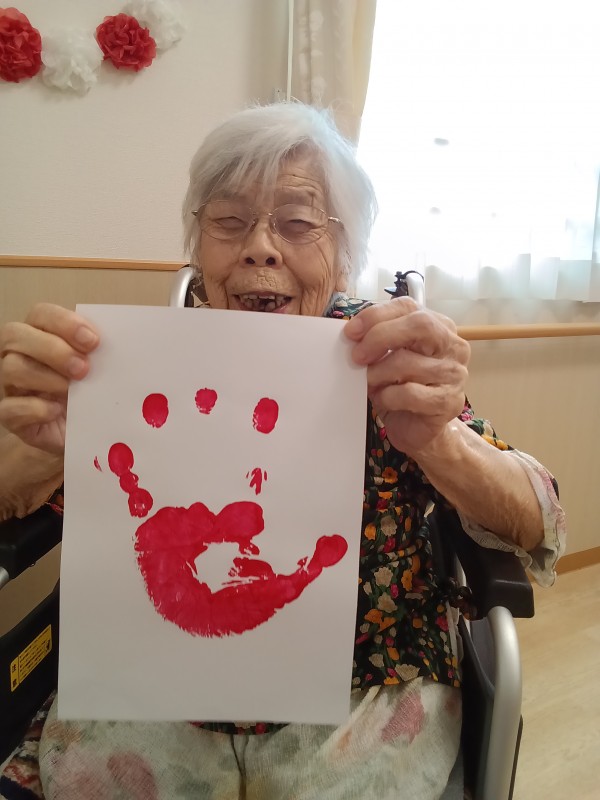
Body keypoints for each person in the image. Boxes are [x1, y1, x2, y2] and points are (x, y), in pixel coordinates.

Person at [0, 102, 566, 800]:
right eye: (229, 220)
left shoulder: (388, 359)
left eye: (297, 223)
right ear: (198, 246)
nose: (260, 248)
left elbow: (539, 522)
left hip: (361, 692)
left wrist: (440, 442)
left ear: (346, 255)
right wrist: (46, 447)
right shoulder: (133, 369)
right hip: (151, 688)